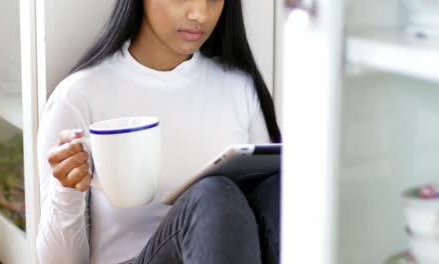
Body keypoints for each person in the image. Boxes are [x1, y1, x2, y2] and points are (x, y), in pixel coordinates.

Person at [37, 0, 281, 263]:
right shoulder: (79, 96)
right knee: (213, 196)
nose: (199, 14)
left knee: (279, 188)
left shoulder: (240, 89)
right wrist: (67, 190)